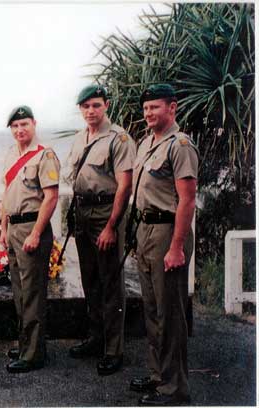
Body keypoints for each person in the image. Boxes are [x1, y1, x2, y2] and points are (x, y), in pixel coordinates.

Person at [130, 84, 198, 406]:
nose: (148, 114)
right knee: (153, 312)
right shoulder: (146, 143)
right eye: (145, 109)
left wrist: (177, 247)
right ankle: (159, 377)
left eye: (155, 107)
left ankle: (174, 389)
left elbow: (187, 201)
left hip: (168, 234)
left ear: (172, 108)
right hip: (147, 232)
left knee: (170, 314)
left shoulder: (180, 145)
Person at [66, 85, 135, 376]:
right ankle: (96, 338)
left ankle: (113, 349)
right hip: (82, 213)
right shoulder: (80, 138)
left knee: (110, 282)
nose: (91, 111)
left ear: (106, 105)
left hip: (106, 213)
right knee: (90, 279)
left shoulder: (118, 138)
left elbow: (125, 185)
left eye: (96, 105)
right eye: (85, 107)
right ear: (80, 110)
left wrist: (111, 226)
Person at [0, 105, 60, 373]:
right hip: (13, 229)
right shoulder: (12, 154)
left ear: (34, 124)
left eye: (24, 124)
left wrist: (36, 233)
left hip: (31, 228)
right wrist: (3, 227)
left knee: (33, 293)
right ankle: (26, 344)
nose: (19, 130)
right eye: (14, 126)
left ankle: (34, 354)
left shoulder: (44, 155)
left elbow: (51, 196)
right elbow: (7, 194)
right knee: (20, 293)